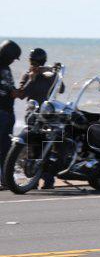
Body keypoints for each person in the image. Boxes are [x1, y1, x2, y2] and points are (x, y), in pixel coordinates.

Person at [17, 48, 64, 189]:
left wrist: (57, 73)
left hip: (48, 116)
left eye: (36, 62)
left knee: (47, 147)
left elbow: (61, 89)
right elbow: (22, 94)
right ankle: (33, 180)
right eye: (32, 62)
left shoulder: (50, 76)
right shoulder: (28, 75)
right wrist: (31, 79)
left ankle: (48, 180)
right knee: (33, 147)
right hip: (33, 115)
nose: (34, 64)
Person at [0, 40, 22, 190]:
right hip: (4, 112)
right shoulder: (4, 69)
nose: (13, 61)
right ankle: (5, 180)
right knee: (5, 149)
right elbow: (13, 93)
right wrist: (24, 89)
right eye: (13, 58)